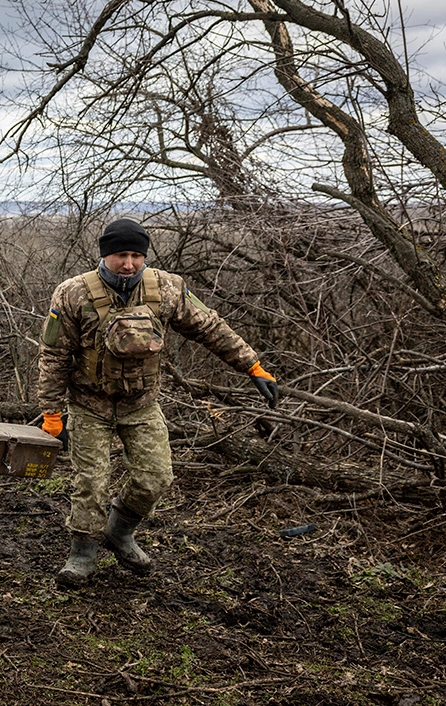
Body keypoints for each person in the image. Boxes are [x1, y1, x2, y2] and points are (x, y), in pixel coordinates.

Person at [37, 218, 278, 588]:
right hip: (89, 404)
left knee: (156, 478)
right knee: (91, 483)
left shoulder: (166, 288)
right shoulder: (72, 294)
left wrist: (252, 365)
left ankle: (119, 532)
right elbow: (53, 355)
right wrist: (53, 413)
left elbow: (209, 327)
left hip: (141, 404)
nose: (129, 264)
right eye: (121, 255)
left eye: (136, 255)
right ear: (105, 254)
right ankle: (82, 554)